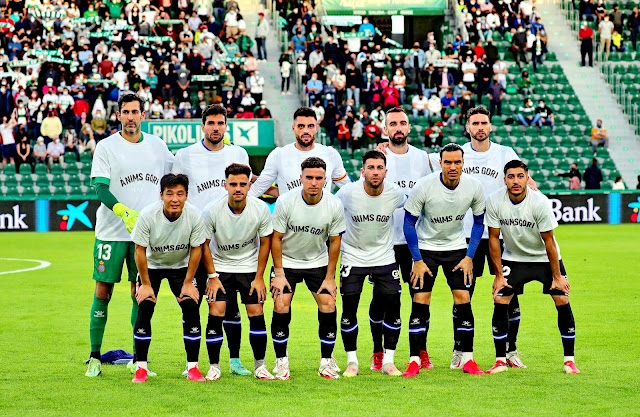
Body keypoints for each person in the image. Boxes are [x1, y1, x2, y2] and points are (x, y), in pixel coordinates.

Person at [85, 94, 174, 378]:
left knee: (141, 294)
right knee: (103, 292)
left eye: (135, 112)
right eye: (126, 112)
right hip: (111, 233)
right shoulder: (106, 147)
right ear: (119, 115)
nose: (131, 117)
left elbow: (178, 173)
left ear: (143, 115)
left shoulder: (158, 146)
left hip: (144, 235)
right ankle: (95, 356)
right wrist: (122, 210)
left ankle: (139, 358)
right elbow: (99, 188)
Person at [171, 104, 260, 377]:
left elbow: (247, 187)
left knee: (231, 306)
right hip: (196, 242)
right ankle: (193, 364)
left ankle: (234, 361)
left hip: (229, 243)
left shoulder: (238, 153)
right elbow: (177, 191)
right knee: (193, 304)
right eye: (211, 123)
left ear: (226, 126)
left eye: (220, 123)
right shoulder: (185, 155)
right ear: (203, 126)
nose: (216, 128)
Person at [485, 160, 580, 375]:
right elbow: (493, 238)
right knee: (500, 298)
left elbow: (549, 241)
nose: (516, 181)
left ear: (527, 178)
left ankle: (569, 361)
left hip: (544, 259)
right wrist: (499, 275)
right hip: (514, 258)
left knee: (562, 298)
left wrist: (557, 276)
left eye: (520, 176)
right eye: (511, 176)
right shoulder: (494, 200)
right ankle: (500, 360)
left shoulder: (540, 202)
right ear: (505, 179)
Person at [403, 143, 487, 375]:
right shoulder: (425, 186)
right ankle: (414, 360)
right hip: (426, 250)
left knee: (463, 299)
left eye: (457, 162)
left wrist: (470, 256)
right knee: (421, 300)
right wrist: (417, 260)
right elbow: (408, 223)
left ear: (463, 163)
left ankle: (467, 359)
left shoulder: (473, 186)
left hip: (457, 249)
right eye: (447, 162)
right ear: (440, 162)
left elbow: (479, 223)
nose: (452, 166)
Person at [270, 156, 346, 379]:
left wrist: (330, 277)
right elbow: (276, 238)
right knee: (281, 303)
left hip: (317, 261)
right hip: (288, 261)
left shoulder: (334, 204)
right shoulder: (285, 201)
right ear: (301, 178)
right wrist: (280, 273)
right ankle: (281, 361)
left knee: (328, 302)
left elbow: (335, 241)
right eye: (309, 177)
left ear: (325, 180)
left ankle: (326, 361)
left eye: (319, 178)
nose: (314, 182)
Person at [130, 174, 207, 383]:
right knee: (145, 307)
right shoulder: (147, 215)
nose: (175, 199)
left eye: (180, 194)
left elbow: (197, 250)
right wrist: (145, 284)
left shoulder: (195, 215)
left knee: (191, 307)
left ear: (187, 196)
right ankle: (141, 368)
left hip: (181, 266)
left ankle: (193, 368)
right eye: (170, 194)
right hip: (151, 266)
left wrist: (189, 282)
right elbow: (139, 250)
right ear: (161, 195)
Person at [201, 163, 275, 381]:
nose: (238, 188)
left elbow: (265, 243)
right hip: (221, 268)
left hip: (249, 268)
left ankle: (260, 366)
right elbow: (204, 245)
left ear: (249, 185)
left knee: (256, 312)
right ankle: (214, 366)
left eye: (243, 184)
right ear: (225, 185)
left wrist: (260, 277)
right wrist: (213, 277)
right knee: (216, 310)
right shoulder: (212, 210)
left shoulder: (260, 209)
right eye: (233, 184)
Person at [335, 151, 406, 377]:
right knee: (349, 308)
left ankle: (389, 361)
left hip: (384, 257)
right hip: (353, 257)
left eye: (379, 167)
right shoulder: (347, 193)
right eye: (370, 167)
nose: (375, 172)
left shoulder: (395, 194)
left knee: (394, 306)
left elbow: (417, 206)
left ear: (386, 171)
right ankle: (352, 362)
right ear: (362, 171)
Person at [249, 107, 351, 198]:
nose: (306, 131)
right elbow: (258, 188)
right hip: (288, 218)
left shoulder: (330, 154)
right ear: (293, 128)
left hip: (322, 218)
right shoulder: (278, 155)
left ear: (316, 128)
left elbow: (348, 188)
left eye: (310, 126)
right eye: (301, 126)